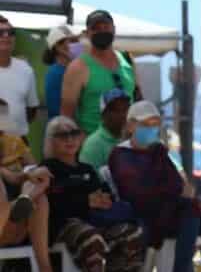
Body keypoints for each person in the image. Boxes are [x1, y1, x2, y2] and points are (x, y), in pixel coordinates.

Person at [108, 100, 201, 272]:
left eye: (155, 124)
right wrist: (174, 192)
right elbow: (135, 190)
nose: (151, 129)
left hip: (169, 208)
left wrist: (175, 191)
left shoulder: (158, 151)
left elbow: (175, 182)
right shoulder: (120, 155)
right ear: (131, 126)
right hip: (142, 213)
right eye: (145, 124)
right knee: (192, 212)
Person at [42, 116, 145, 272]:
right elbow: (52, 203)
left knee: (133, 234)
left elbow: (106, 193)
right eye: (62, 135)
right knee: (92, 239)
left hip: (96, 220)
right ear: (50, 141)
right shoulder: (47, 168)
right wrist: (86, 201)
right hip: (64, 225)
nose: (70, 139)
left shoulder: (87, 169)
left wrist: (104, 200)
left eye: (74, 133)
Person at [62, 10, 138, 135]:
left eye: (106, 27)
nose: (102, 31)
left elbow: (138, 100)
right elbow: (66, 116)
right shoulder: (78, 68)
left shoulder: (127, 60)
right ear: (87, 33)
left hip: (128, 146)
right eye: (96, 28)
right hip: (95, 147)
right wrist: (83, 143)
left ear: (114, 29)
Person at [0, 97, 54, 272]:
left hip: (11, 220)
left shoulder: (12, 140)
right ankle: (21, 203)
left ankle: (45, 267)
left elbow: (20, 173)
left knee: (40, 196)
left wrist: (31, 175)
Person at [0, 15, 42, 138]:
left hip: (18, 144)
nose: (6, 36)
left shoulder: (25, 69)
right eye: (0, 32)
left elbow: (31, 109)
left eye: (10, 32)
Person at [79, 88, 132, 171]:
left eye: (126, 109)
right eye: (116, 110)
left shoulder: (134, 138)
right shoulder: (93, 145)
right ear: (104, 114)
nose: (123, 114)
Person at [42, 25, 82, 120]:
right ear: (57, 47)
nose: (66, 44)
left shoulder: (74, 69)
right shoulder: (55, 73)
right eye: (61, 42)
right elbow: (55, 109)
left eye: (67, 40)